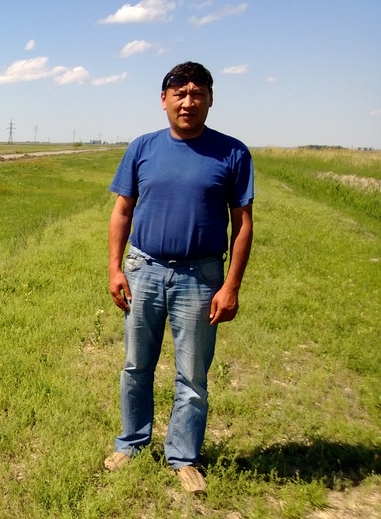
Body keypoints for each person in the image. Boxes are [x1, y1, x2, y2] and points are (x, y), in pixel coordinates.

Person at [104, 61, 254, 494]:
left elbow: (242, 223)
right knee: (136, 365)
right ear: (164, 99)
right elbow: (122, 211)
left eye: (197, 93)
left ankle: (184, 458)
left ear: (210, 98)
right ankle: (131, 443)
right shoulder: (142, 147)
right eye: (180, 93)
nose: (188, 102)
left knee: (192, 372)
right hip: (143, 268)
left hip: (201, 275)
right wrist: (115, 267)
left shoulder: (232, 152)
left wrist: (231, 285)